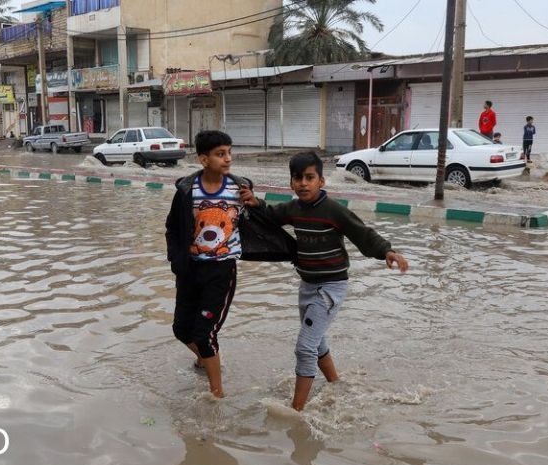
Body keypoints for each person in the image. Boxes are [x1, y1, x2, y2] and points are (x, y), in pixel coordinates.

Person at [240, 152, 409, 411]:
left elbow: (361, 233)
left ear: (321, 181)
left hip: (332, 287)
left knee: (305, 346)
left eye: (310, 178)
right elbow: (271, 215)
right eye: (298, 178)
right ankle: (335, 384)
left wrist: (387, 251)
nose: (303, 184)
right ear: (291, 183)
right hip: (306, 286)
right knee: (316, 341)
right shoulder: (294, 208)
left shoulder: (334, 210)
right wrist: (254, 202)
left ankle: (296, 411)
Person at [166, 131, 284, 398]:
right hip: (189, 269)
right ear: (203, 159)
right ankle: (205, 360)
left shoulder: (239, 189)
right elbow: (172, 228)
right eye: (221, 154)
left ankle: (216, 395)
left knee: (205, 334)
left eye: (229, 152)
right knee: (181, 329)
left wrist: (258, 203)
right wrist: (176, 260)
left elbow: (264, 219)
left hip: (221, 270)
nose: (228, 159)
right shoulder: (187, 190)